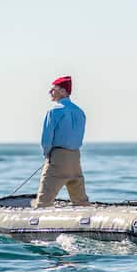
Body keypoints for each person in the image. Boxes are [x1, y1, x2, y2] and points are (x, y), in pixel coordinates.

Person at [32, 75, 90, 208]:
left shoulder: (53, 111)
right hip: (75, 157)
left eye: (54, 89)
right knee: (81, 201)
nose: (50, 92)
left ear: (63, 91)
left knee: (43, 202)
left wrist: (47, 155)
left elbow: (46, 140)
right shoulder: (80, 112)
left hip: (58, 158)